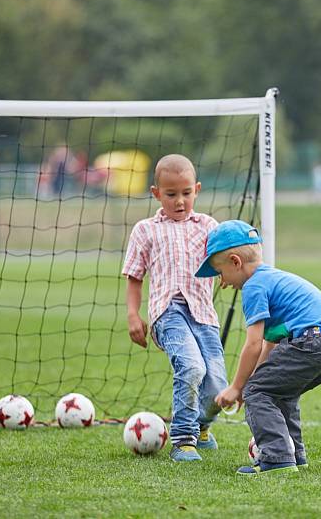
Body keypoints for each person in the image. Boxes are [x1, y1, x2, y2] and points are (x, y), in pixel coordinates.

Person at [200, 220, 321, 475]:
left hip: (311, 341)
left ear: (236, 262)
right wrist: (251, 382)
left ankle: (277, 459)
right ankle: (294, 455)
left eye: (219, 272)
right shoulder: (273, 278)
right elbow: (268, 346)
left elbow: (253, 343)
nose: (221, 282)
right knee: (279, 391)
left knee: (258, 392)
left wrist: (238, 387)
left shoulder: (254, 286)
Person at [122, 154, 228, 463]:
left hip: (204, 315)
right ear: (156, 193)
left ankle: (202, 427)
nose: (179, 201)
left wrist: (226, 270)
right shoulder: (145, 230)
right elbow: (134, 276)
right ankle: (183, 440)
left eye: (186, 193)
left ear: (196, 189)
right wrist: (133, 315)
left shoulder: (209, 226)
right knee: (192, 367)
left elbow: (225, 260)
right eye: (171, 194)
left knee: (217, 384)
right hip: (168, 313)